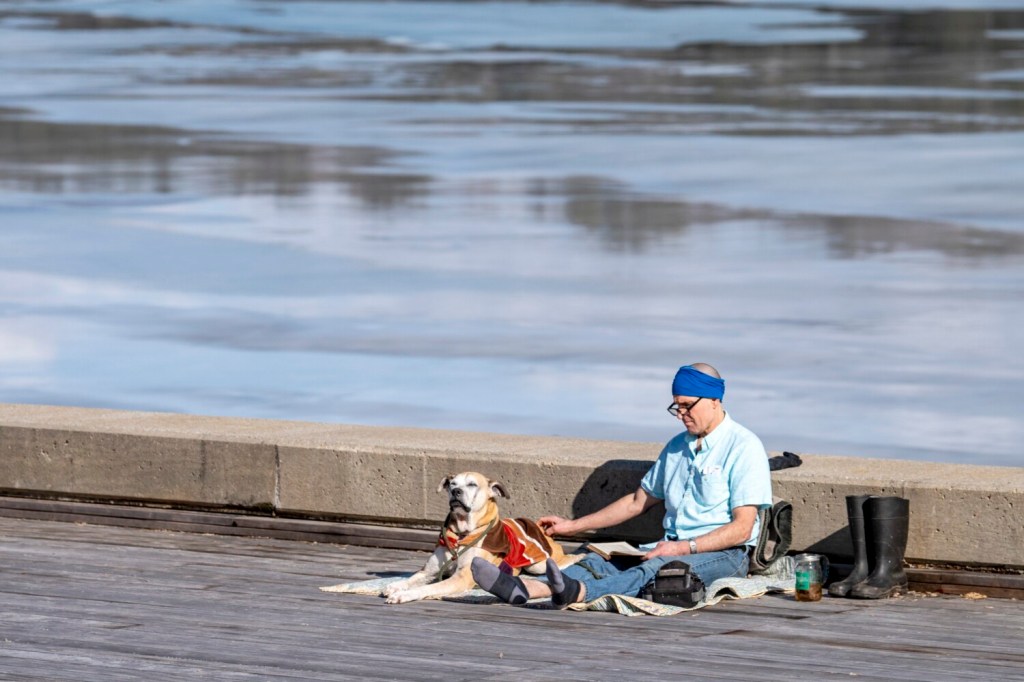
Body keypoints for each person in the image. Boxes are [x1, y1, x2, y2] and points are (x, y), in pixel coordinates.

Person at [471, 362, 773, 607]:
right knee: (596, 562)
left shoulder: (743, 447)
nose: (681, 415)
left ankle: (578, 594)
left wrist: (683, 547)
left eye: (687, 406)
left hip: (726, 555)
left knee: (655, 570)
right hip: (670, 545)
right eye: (676, 407)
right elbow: (636, 502)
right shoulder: (676, 447)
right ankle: (525, 587)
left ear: (714, 400)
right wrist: (572, 526)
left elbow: (742, 528)